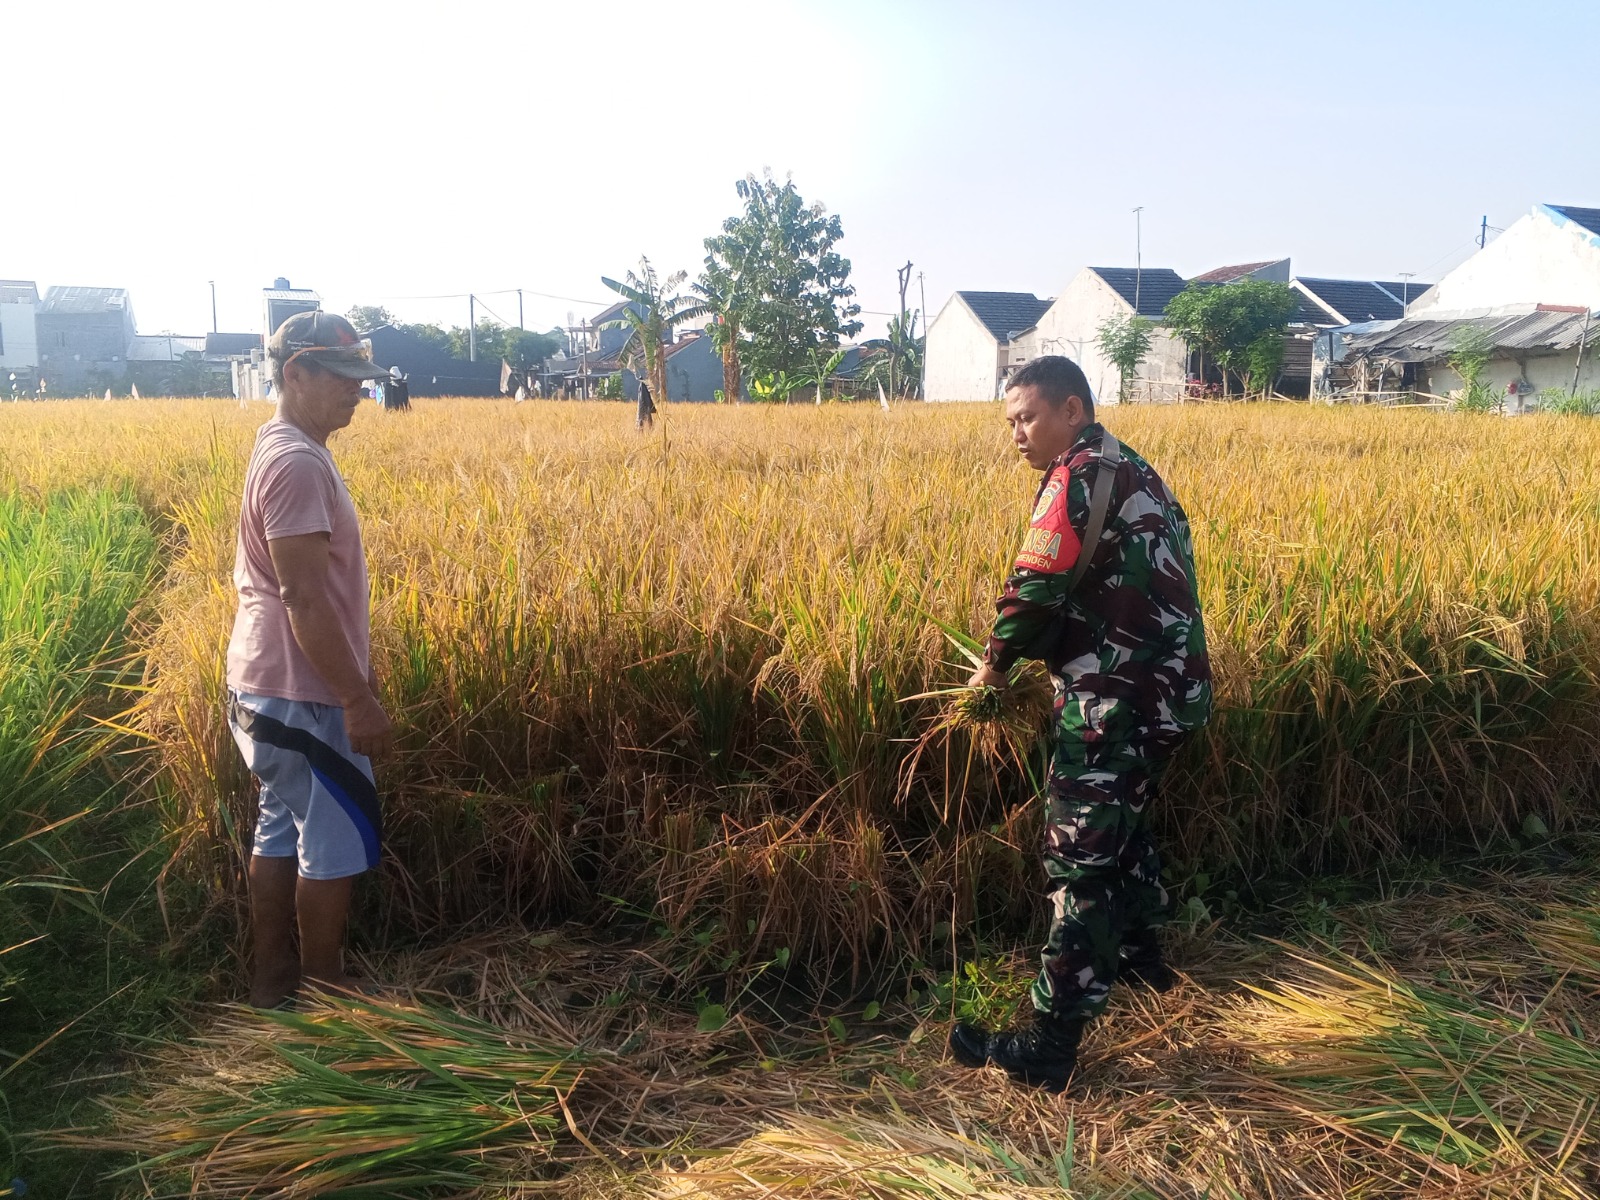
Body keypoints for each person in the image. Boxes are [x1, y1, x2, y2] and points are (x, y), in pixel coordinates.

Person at [948, 355, 1212, 1092]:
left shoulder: (1075, 476)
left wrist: (993, 667)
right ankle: (1138, 960)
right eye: (1009, 422)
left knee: (1080, 859)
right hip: (1171, 693)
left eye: (1027, 417)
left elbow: (1035, 585)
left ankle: (1051, 1044)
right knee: (1121, 825)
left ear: (1071, 409)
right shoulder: (1134, 466)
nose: (1017, 435)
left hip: (1114, 702)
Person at [224, 310, 396, 1009]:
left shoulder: (285, 444)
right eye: (343, 377)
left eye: (362, 376)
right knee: (330, 834)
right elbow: (302, 597)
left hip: (271, 685)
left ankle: (272, 982)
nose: (358, 390)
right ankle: (324, 991)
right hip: (302, 690)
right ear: (296, 373)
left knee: (280, 825)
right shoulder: (296, 461)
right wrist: (355, 698)